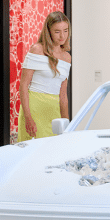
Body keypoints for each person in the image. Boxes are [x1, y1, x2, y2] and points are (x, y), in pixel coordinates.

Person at [18, 11, 72, 141]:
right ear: (48, 31)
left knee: (54, 151)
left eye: (65, 30)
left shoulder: (67, 57)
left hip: (54, 111)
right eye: (57, 31)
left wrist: (67, 124)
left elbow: (63, 95)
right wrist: (28, 117)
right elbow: (23, 85)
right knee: (32, 153)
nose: (62, 36)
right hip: (34, 108)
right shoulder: (37, 49)